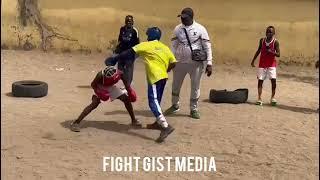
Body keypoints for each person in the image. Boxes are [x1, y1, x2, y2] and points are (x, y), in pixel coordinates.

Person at [105, 27, 176, 143]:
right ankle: (158, 123)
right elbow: (173, 63)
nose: (147, 37)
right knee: (157, 100)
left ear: (151, 36)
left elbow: (128, 52)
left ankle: (165, 126)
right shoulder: (165, 47)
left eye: (148, 35)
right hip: (163, 77)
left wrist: (114, 60)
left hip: (154, 77)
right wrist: (165, 70)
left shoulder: (146, 45)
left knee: (152, 102)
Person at [164, 7, 213, 119]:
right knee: (176, 85)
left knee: (195, 86)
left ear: (191, 17)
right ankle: (175, 105)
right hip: (179, 62)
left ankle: (193, 109)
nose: (182, 20)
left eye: (185, 18)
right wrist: (171, 60)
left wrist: (209, 63)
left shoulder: (200, 29)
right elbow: (173, 46)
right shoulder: (177, 29)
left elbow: (207, 46)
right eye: (181, 17)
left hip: (195, 64)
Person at [70, 66, 141, 132]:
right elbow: (93, 85)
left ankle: (133, 120)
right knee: (94, 104)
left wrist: (130, 91)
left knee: (126, 99)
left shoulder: (120, 73)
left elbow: (127, 85)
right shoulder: (100, 75)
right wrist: (100, 92)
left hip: (111, 86)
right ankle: (76, 123)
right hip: (100, 87)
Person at [251, 26, 280, 106]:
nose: (269, 33)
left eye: (271, 32)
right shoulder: (262, 40)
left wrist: (272, 52)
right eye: (267, 31)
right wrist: (253, 60)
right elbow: (258, 50)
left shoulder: (275, 42)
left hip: (271, 65)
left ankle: (272, 98)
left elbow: (278, 54)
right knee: (260, 81)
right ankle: (259, 98)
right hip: (262, 64)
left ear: (274, 33)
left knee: (273, 81)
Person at [109, 15, 140, 86]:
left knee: (129, 69)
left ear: (132, 22)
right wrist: (116, 49)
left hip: (130, 52)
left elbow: (137, 43)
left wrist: (136, 53)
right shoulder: (122, 29)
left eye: (130, 21)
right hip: (122, 52)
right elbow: (120, 40)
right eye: (127, 20)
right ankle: (124, 83)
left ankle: (128, 84)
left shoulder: (135, 31)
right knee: (120, 68)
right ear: (125, 21)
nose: (128, 22)